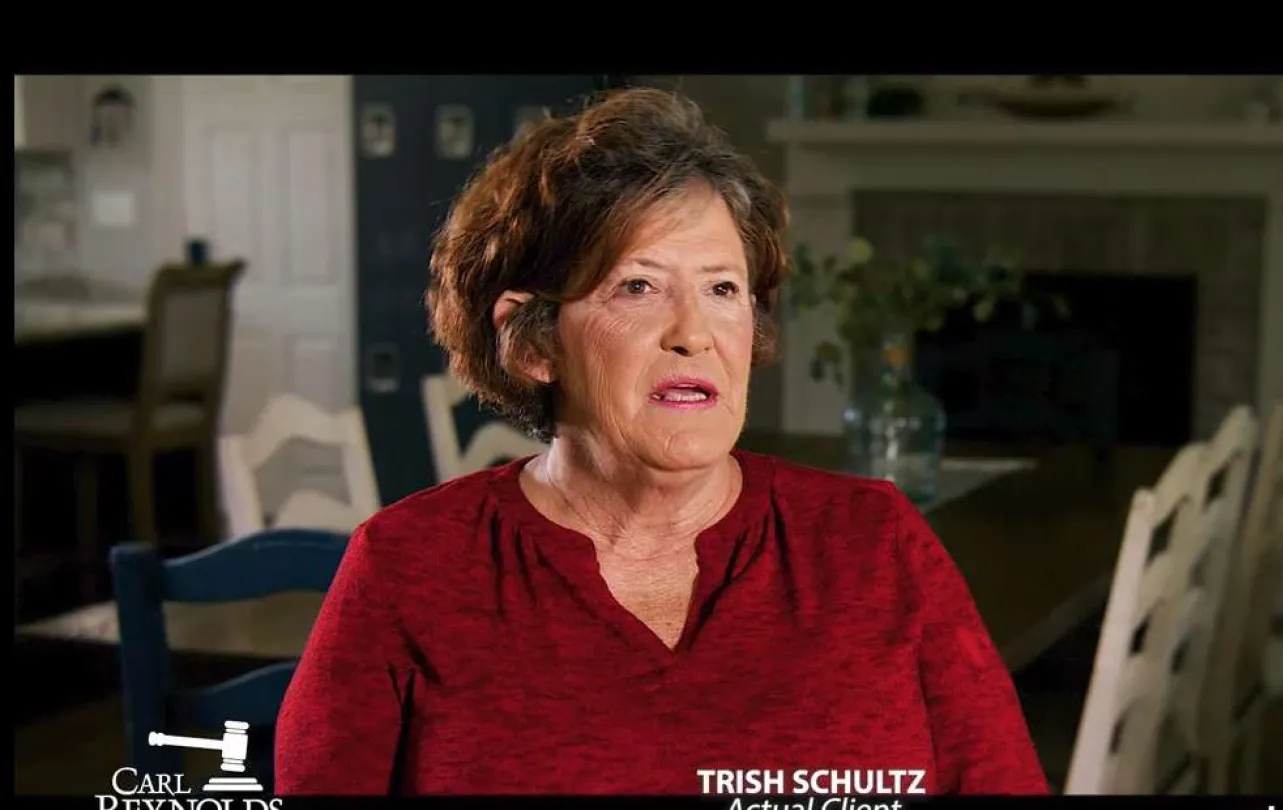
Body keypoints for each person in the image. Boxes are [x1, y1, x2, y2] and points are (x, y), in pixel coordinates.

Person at [274, 87, 1048, 796]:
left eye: (722, 288)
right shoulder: (406, 567)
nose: (694, 333)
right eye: (637, 286)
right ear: (532, 341)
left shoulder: (878, 541)